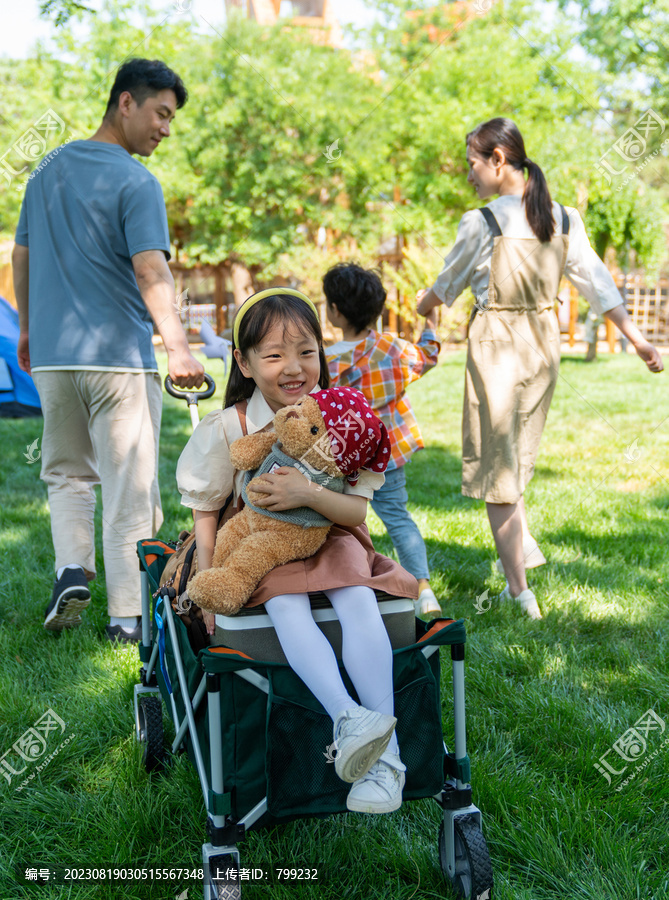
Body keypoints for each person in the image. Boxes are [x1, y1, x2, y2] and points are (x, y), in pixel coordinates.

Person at [176, 288, 419, 814]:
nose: (294, 367)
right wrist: (210, 582)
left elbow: (355, 513)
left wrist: (307, 493)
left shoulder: (345, 416)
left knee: (355, 598)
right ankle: (346, 717)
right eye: (274, 354)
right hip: (263, 543)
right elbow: (206, 514)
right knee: (286, 603)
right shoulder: (231, 427)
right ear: (242, 361)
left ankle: (387, 761)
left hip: (330, 534)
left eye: (306, 351)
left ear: (322, 353)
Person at [417, 117, 663, 619]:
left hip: (499, 348)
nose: (469, 176)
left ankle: (518, 589)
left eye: (472, 164)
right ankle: (521, 543)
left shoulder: (481, 222)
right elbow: (599, 285)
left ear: (498, 161)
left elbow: (444, 288)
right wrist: (638, 340)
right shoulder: (563, 218)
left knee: (499, 470)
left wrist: (421, 307)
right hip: (544, 346)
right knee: (517, 455)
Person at [12, 58, 204, 642]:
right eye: (161, 113)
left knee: (67, 474)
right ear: (126, 102)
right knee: (129, 485)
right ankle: (126, 619)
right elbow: (150, 267)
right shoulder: (137, 181)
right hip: (117, 359)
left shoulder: (45, 170)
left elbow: (21, 255)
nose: (166, 128)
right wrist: (178, 347)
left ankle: (72, 569)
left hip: (52, 357)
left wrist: (25, 329)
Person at [323, 262, 442, 618]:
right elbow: (429, 356)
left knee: (338, 525)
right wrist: (431, 319)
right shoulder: (393, 348)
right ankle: (423, 589)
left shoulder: (324, 361)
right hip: (386, 457)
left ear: (335, 311)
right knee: (399, 519)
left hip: (340, 461)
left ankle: (344, 582)